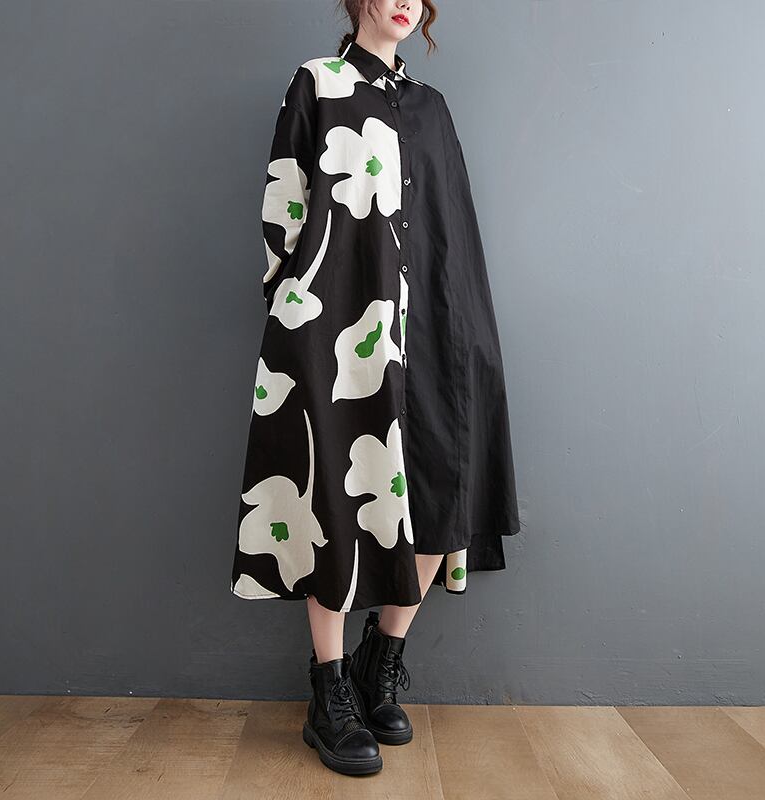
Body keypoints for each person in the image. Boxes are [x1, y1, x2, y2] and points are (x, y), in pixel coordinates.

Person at [230, 0, 521, 776]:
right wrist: (293, 310)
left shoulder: (432, 107)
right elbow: (285, 206)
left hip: (435, 327)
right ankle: (328, 691)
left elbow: (454, 224)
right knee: (329, 495)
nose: (406, 0)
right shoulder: (317, 84)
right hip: (339, 322)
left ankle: (379, 662)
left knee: (442, 489)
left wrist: (471, 329)